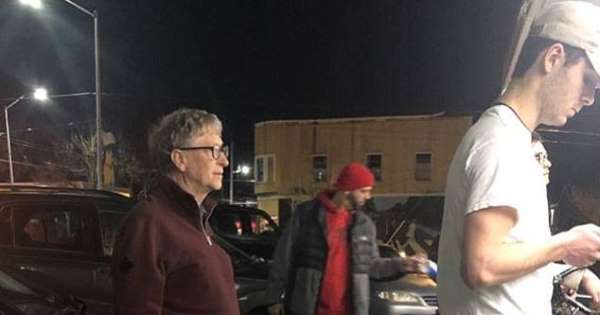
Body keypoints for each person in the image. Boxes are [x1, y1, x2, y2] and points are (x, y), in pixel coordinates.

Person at [437, 1, 600, 314]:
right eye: (587, 80)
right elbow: (482, 266)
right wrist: (566, 244)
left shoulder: (509, 137)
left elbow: (507, 258)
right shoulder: (501, 142)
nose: (590, 98)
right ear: (554, 57)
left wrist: (570, 274)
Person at [112, 108, 238, 315]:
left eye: (223, 151)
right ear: (180, 159)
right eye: (214, 150)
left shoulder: (196, 220)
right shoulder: (148, 224)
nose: (224, 161)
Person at [265, 162, 427, 315]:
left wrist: (404, 264)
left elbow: (372, 266)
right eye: (363, 191)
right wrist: (274, 297)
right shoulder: (307, 215)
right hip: (307, 309)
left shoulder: (364, 225)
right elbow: (283, 257)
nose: (368, 196)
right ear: (348, 190)